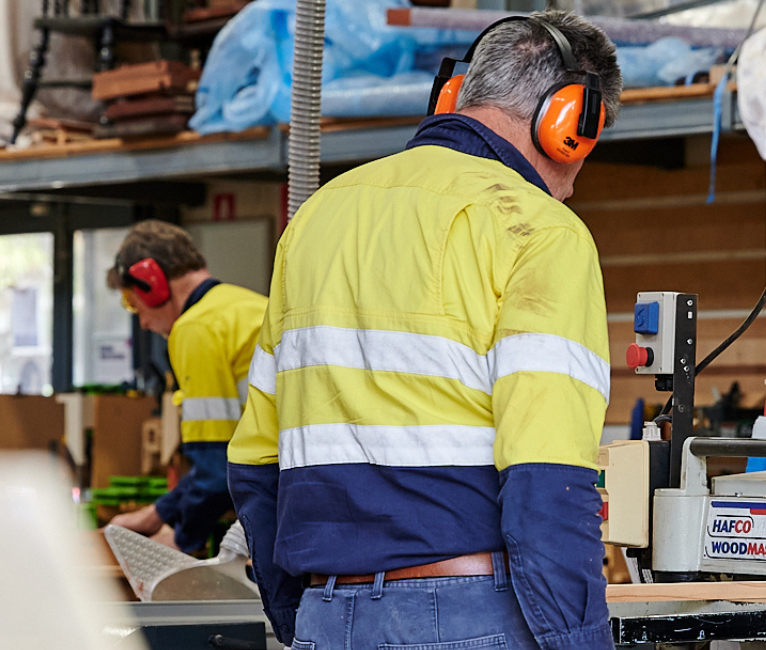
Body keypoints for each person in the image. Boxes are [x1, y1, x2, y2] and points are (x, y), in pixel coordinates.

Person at [226, 12, 621, 650]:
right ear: (568, 122)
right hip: (469, 614)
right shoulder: (540, 230)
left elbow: (254, 464)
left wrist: (302, 617)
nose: (574, 182)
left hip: (326, 615)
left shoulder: (318, 215)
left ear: (453, 94)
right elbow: (546, 480)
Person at [107, 220, 267, 553]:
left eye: (135, 304)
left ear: (153, 285)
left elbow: (215, 470)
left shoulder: (196, 329)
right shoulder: (245, 306)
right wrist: (158, 513)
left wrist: (178, 542)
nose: (144, 322)